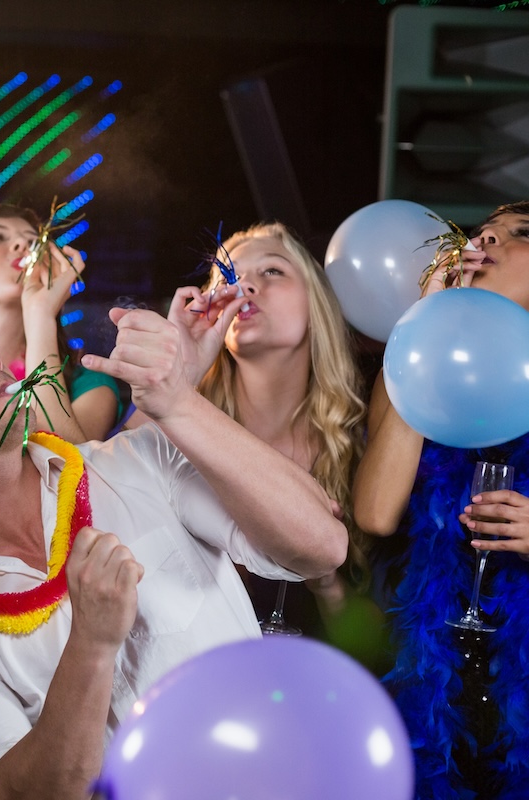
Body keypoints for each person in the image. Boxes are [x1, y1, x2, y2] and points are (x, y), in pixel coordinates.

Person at [0, 290, 347, 799]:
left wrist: (178, 401)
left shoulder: (139, 461)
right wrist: (92, 645)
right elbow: (20, 795)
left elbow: (322, 546)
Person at [126, 222, 377, 655]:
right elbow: (107, 496)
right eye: (229, 277)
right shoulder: (180, 430)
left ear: (316, 303)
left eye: (273, 271)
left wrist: (325, 583)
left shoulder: (360, 448)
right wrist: (179, 373)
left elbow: (376, 651)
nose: (244, 286)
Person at [354, 201, 529, 798]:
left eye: (519, 234)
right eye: (485, 231)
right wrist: (426, 322)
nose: (487, 239)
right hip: (438, 693)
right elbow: (376, 512)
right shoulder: (413, 357)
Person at [0, 204, 121, 442]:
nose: (22, 245)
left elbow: (61, 465)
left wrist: (40, 314)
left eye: (34, 241)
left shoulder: (88, 385)